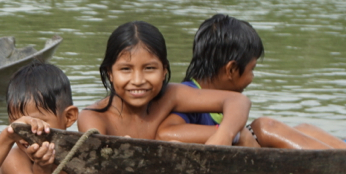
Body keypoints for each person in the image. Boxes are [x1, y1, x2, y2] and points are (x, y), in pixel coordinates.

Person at [158, 14, 346, 149]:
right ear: (232, 70)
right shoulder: (190, 96)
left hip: (252, 151)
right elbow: (167, 133)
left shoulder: (218, 100)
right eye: (251, 70)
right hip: (247, 160)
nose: (252, 78)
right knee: (264, 126)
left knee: (305, 129)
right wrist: (233, 134)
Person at [77, 21, 251, 144]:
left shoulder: (170, 95)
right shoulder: (94, 116)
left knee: (245, 134)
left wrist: (225, 134)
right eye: (125, 69)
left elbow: (238, 101)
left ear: (164, 71)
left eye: (149, 68)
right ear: (110, 74)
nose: (138, 81)